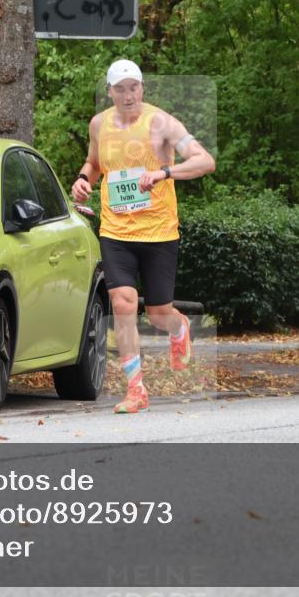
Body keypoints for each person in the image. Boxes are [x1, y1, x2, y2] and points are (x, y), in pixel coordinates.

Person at [71, 59, 215, 413]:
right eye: (120, 89)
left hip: (158, 231)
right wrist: (83, 179)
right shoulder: (98, 124)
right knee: (122, 302)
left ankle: (178, 328)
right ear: (110, 92)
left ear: (142, 88)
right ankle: (136, 389)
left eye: (134, 87)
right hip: (116, 229)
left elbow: (204, 161)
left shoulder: (161, 122)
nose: (128, 94)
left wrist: (165, 172)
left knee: (157, 313)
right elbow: (93, 163)